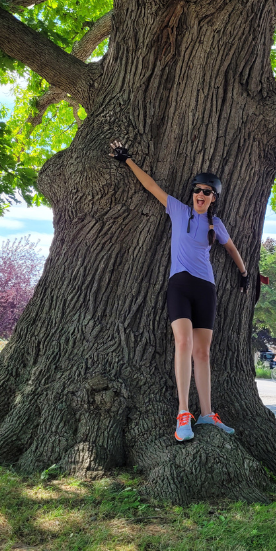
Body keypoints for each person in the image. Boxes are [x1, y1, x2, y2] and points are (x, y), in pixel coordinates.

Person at [109, 140, 249, 442]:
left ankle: (207, 414)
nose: (201, 195)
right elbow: (150, 186)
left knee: (203, 352)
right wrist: (127, 160)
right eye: (197, 189)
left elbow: (231, 247)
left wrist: (244, 273)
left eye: (207, 192)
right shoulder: (178, 209)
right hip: (180, 285)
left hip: (206, 288)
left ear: (214, 198)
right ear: (193, 193)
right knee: (183, 344)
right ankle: (183, 412)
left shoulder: (216, 223)